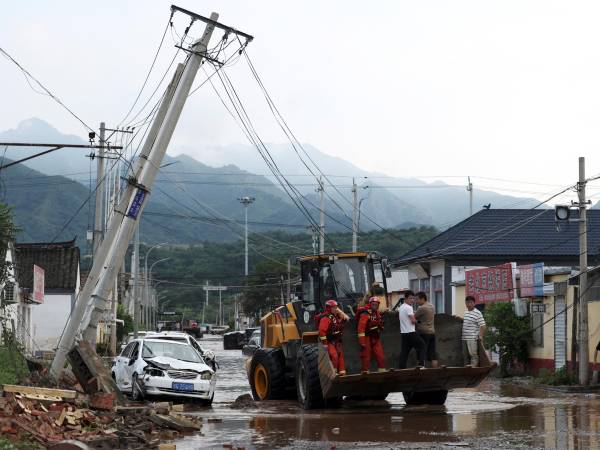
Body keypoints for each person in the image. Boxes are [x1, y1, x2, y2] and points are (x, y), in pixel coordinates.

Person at [318, 299, 348, 376]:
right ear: (329, 308)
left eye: (336, 307)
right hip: (329, 341)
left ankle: (342, 372)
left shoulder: (336, 316)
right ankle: (333, 372)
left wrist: (340, 312)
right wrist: (325, 344)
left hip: (337, 340)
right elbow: (322, 331)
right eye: (334, 308)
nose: (336, 309)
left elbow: (347, 319)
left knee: (340, 355)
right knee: (334, 356)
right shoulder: (325, 318)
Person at [357, 296, 386, 373]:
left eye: (376, 304)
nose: (375, 306)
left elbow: (379, 323)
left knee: (380, 354)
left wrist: (381, 327)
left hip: (375, 336)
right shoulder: (365, 313)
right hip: (366, 336)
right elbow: (361, 328)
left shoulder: (377, 313)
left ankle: (382, 370)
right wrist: (362, 341)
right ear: (370, 304)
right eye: (373, 304)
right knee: (366, 355)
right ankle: (365, 371)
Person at [398, 290, 425, 369]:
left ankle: (401, 369)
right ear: (405, 298)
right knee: (422, 345)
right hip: (411, 333)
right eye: (410, 298)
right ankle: (421, 365)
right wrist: (419, 322)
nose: (412, 300)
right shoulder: (409, 307)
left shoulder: (401, 307)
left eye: (413, 298)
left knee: (404, 353)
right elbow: (413, 321)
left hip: (403, 333)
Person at [415, 291, 438, 368]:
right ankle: (435, 370)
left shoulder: (422, 308)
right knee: (432, 352)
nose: (416, 301)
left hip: (423, 332)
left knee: (422, 350)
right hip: (432, 332)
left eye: (417, 299)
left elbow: (414, 316)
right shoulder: (432, 306)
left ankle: (422, 368)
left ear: (422, 299)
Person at [462, 295, 486, 367]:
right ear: (465, 303)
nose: (469, 304)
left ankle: (473, 370)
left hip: (472, 338)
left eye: (471, 302)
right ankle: (466, 372)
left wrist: (481, 336)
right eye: (467, 302)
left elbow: (483, 326)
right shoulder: (466, 312)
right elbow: (467, 321)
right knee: (465, 356)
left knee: (473, 355)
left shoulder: (477, 313)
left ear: (474, 303)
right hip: (464, 338)